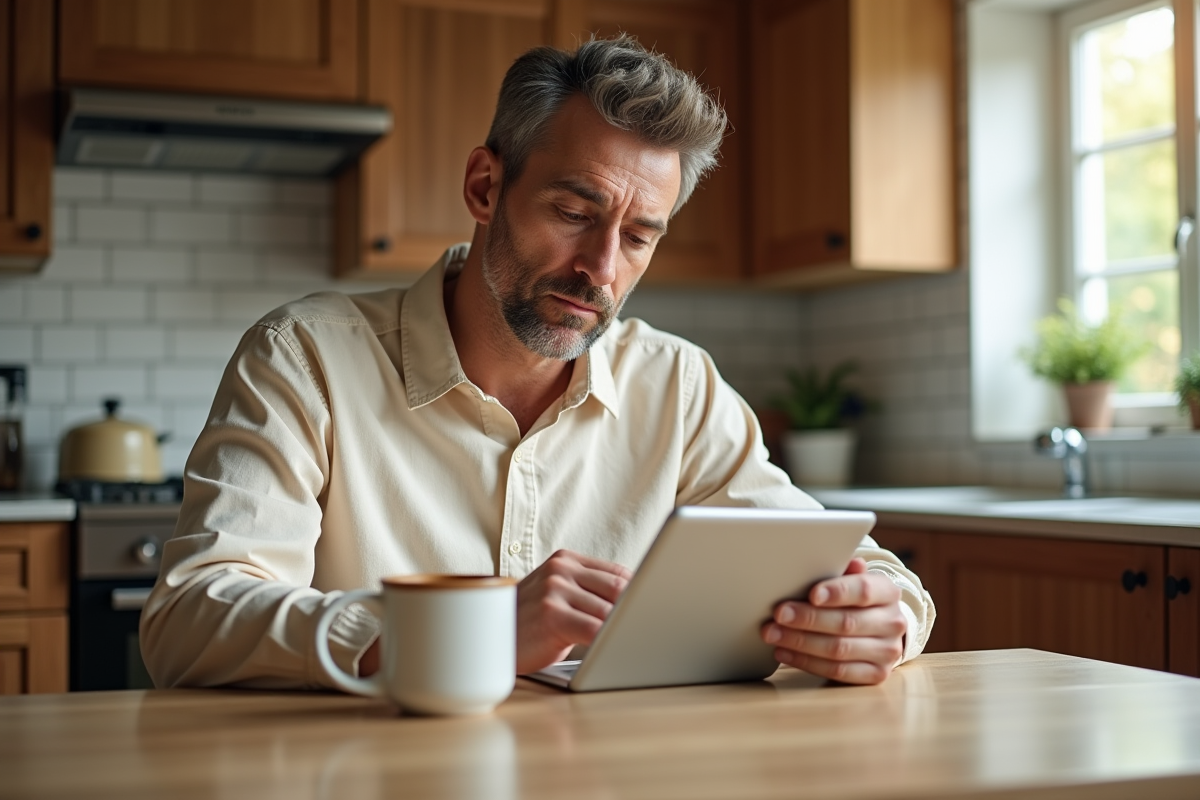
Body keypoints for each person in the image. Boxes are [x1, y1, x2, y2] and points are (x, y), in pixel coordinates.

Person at [140, 35, 935, 690]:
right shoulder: (306, 356)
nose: (601, 268)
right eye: (573, 212)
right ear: (486, 186)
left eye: (637, 236)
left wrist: (880, 618)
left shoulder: (679, 385)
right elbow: (192, 618)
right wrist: (458, 634)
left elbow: (855, 566)